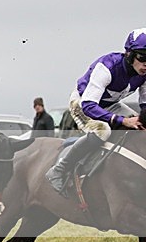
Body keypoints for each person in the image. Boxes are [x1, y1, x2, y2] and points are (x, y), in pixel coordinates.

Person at [45, 28, 146, 194]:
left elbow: (144, 104)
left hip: (110, 104)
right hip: (83, 103)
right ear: (129, 55)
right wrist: (123, 121)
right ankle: (59, 169)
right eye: (143, 57)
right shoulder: (107, 66)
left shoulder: (143, 74)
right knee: (102, 131)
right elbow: (89, 106)